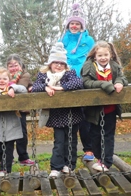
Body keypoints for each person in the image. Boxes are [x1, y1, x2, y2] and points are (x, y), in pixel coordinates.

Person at [32, 42, 83, 178]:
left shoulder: (69, 74)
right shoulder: (44, 76)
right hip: (57, 116)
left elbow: (78, 83)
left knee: (71, 140)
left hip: (72, 114)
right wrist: (46, 87)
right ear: (50, 64)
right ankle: (56, 167)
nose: (59, 65)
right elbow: (35, 87)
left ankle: (69, 165)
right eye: (56, 62)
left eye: (61, 63)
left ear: (65, 65)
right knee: (59, 141)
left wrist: (62, 88)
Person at [81, 41, 128, 172]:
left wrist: (118, 82)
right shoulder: (89, 67)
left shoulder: (114, 67)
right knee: (95, 136)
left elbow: (123, 78)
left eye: (106, 55)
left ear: (111, 54)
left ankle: (106, 162)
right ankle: (99, 158)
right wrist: (103, 84)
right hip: (94, 109)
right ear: (94, 56)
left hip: (110, 109)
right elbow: (86, 82)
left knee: (108, 135)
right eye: (100, 55)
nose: (103, 58)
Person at [59, 3, 95, 161]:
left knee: (84, 118)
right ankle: (66, 154)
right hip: (65, 81)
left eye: (77, 23)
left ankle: (89, 149)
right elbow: (57, 60)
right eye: (72, 23)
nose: (74, 26)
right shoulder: (62, 39)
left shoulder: (89, 40)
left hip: (82, 80)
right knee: (67, 118)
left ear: (82, 25)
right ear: (68, 25)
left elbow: (92, 59)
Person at [6, 54, 35, 166]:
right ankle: (8, 157)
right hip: (8, 109)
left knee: (21, 133)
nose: (13, 67)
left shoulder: (24, 75)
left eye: (15, 65)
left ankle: (23, 156)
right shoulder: (4, 76)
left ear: (20, 65)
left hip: (20, 109)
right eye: (10, 65)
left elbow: (21, 88)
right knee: (8, 134)